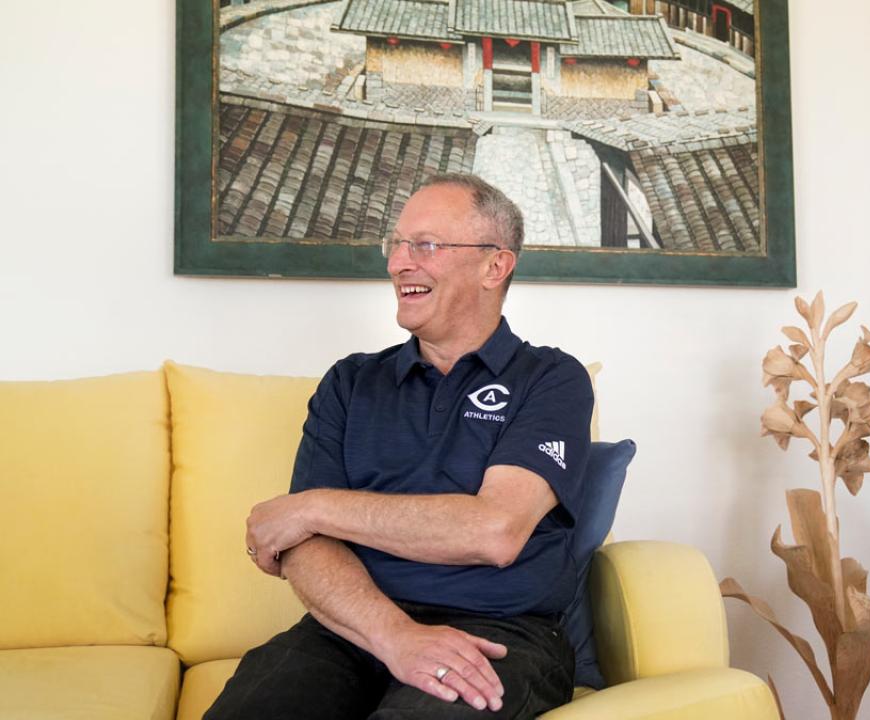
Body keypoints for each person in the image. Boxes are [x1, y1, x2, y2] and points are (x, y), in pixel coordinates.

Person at [205, 174, 594, 720]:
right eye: (396, 244)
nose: (397, 263)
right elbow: (303, 547)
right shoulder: (350, 382)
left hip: (500, 633)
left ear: (494, 266)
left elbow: (494, 531)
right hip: (351, 626)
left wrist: (312, 507)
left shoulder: (551, 378)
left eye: (425, 245)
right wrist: (394, 636)